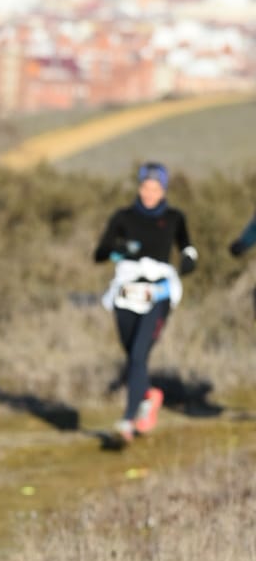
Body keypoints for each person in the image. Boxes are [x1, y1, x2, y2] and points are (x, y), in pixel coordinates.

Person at [94, 161, 197, 443]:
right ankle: (149, 395)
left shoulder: (175, 217)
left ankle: (128, 421)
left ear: (163, 189)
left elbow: (187, 246)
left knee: (139, 356)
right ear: (139, 187)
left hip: (158, 295)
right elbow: (100, 252)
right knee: (132, 357)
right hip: (125, 294)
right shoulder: (124, 217)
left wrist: (189, 259)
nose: (149, 193)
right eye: (145, 187)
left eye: (155, 188)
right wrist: (120, 250)